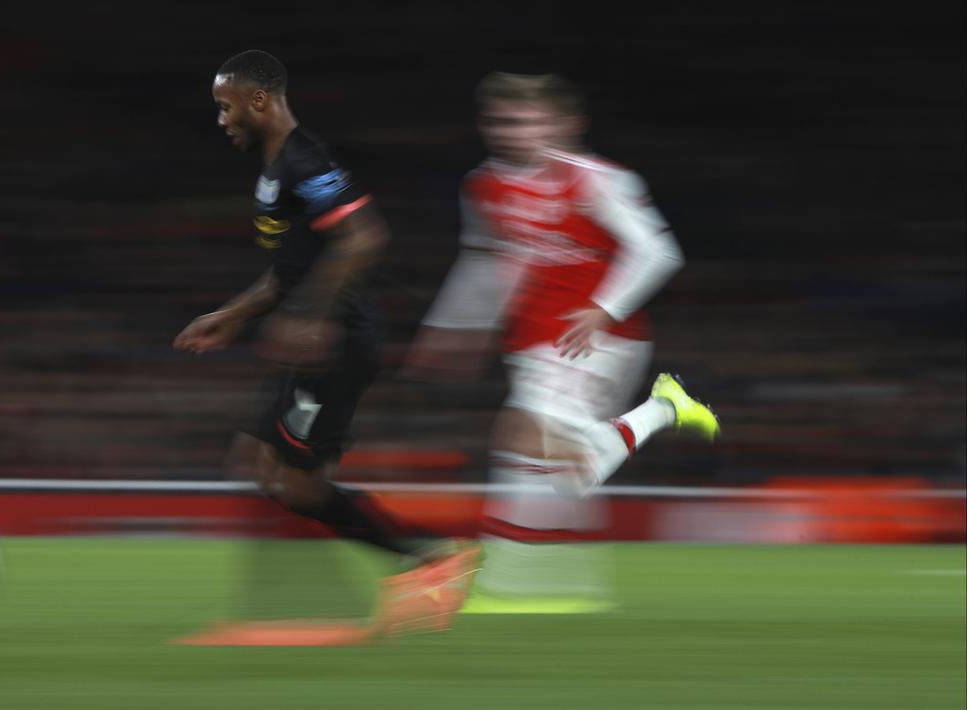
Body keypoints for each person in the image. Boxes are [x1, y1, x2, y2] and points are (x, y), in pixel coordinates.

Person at [174, 50, 475, 634]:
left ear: (258, 100)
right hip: (311, 342)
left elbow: (363, 237)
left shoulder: (306, 161)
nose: (221, 119)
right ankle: (389, 567)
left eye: (225, 106)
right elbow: (288, 271)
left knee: (297, 483)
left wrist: (312, 314)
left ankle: (431, 558)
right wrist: (231, 315)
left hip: (335, 344)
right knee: (261, 464)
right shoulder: (273, 169)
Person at [405, 72, 720, 613]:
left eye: (529, 121)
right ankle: (661, 411)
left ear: (566, 125)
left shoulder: (598, 180)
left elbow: (657, 251)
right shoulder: (485, 185)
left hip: (596, 337)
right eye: (503, 121)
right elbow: (486, 263)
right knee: (562, 465)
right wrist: (455, 325)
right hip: (530, 339)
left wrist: (604, 308)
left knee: (523, 431)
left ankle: (502, 584)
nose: (515, 132)